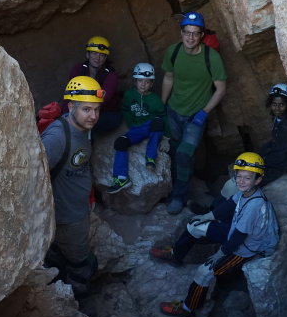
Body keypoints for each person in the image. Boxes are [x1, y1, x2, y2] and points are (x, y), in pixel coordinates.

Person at [151, 152, 279, 317]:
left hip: (243, 248)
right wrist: (206, 217)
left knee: (204, 272)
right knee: (193, 226)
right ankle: (177, 255)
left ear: (258, 180)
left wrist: (219, 254)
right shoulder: (245, 192)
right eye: (239, 176)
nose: (241, 181)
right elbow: (227, 206)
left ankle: (188, 308)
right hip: (234, 232)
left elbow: (237, 239)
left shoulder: (254, 206)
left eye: (247, 178)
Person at [41, 76, 104, 293]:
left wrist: (90, 195)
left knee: (62, 256)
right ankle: (76, 302)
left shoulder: (84, 129)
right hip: (67, 218)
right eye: (87, 109)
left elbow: (82, 165)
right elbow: (35, 177)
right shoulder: (57, 138)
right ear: (71, 107)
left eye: (96, 110)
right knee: (81, 264)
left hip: (77, 210)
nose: (93, 116)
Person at [160, 11, 227, 214]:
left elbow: (221, 88)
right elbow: (169, 78)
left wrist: (204, 112)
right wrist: (162, 106)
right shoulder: (173, 51)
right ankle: (171, 190)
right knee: (172, 151)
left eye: (195, 33)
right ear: (181, 32)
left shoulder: (211, 57)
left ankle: (179, 197)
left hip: (194, 117)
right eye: (187, 32)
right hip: (173, 112)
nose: (190, 37)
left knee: (184, 154)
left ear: (202, 35)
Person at [108, 62, 165, 194]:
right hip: (136, 130)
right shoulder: (129, 95)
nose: (143, 84)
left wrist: (166, 137)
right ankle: (121, 178)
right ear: (135, 81)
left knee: (158, 122)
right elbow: (125, 110)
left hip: (151, 127)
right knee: (120, 143)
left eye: (147, 82)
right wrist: (131, 123)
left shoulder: (155, 99)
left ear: (151, 83)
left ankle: (150, 157)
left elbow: (164, 117)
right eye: (140, 81)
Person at [69, 36, 121, 133]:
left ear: (105, 58)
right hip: (82, 109)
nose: (97, 58)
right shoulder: (78, 69)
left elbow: (103, 99)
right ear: (87, 55)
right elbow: (70, 93)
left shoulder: (111, 75)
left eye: (101, 55)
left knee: (88, 121)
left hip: (105, 113)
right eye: (94, 53)